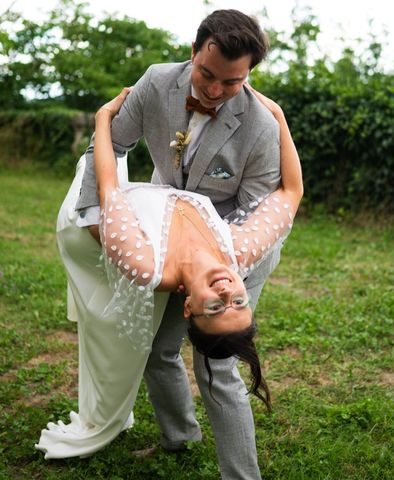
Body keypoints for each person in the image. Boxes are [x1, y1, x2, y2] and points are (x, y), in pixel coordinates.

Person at [35, 10, 295, 479]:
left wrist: (199, 273)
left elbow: (258, 211)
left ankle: (241, 475)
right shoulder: (156, 83)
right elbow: (111, 147)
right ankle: (179, 435)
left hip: (236, 251)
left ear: (250, 74)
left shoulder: (261, 125)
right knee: (157, 349)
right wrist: (102, 225)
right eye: (206, 74)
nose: (214, 91)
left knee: (216, 365)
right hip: (163, 234)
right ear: (194, 51)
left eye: (232, 83)